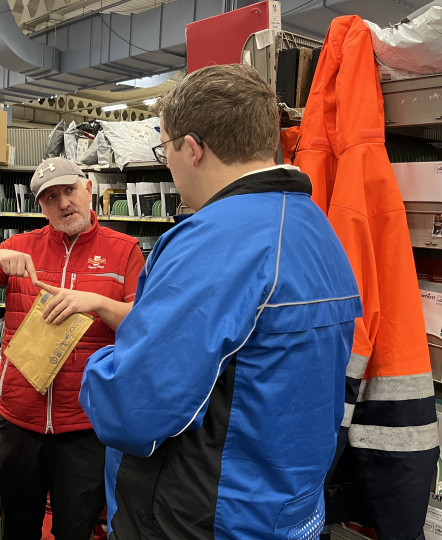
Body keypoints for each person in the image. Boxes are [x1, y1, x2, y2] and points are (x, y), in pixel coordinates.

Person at [79, 64, 363, 539]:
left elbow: (132, 408)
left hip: (204, 517)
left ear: (192, 148)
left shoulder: (215, 242)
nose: (167, 164)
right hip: (286, 509)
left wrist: (103, 360)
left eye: (164, 148)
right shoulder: (319, 230)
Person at [0, 156, 145, 540]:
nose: (64, 202)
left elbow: (143, 325)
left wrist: (97, 303)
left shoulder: (124, 251)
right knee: (17, 529)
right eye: (51, 197)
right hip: (19, 424)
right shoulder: (22, 248)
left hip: (85, 426)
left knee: (75, 529)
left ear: (88, 189)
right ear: (41, 207)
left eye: (69, 190)